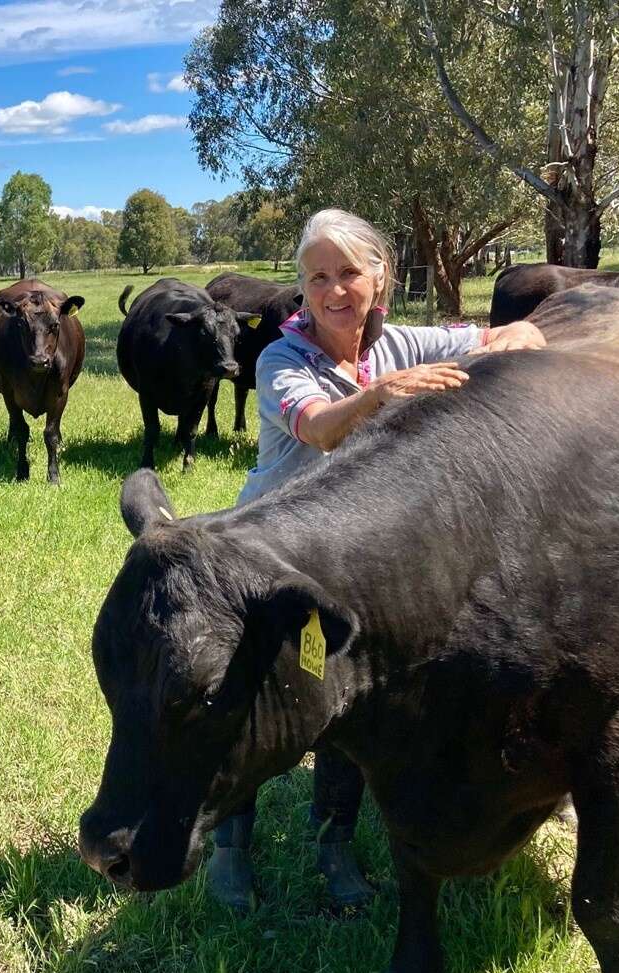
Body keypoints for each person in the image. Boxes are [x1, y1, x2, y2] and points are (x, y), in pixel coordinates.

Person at [208, 208, 546, 912]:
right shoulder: (280, 358)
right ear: (302, 288)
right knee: (251, 700)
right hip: (273, 556)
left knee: (350, 703)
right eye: (317, 277)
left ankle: (332, 838)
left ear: (378, 275)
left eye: (348, 272)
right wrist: (379, 395)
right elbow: (321, 429)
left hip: (359, 566)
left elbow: (505, 336)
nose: (334, 290)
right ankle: (228, 845)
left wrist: (515, 334)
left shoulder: (401, 342)